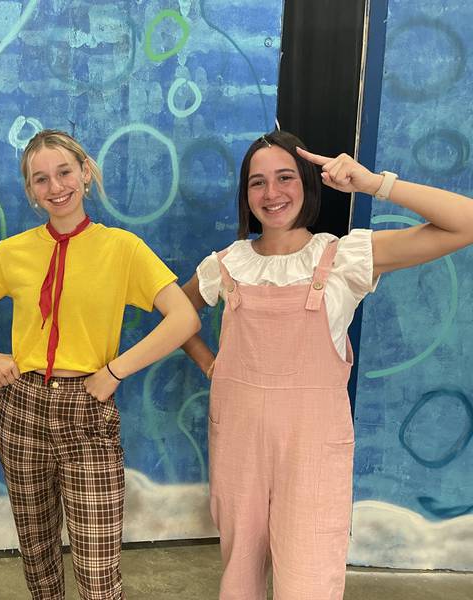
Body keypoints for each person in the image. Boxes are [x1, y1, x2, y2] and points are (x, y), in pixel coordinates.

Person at [180, 130, 473, 599]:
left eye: (284, 177)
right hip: (237, 436)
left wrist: (375, 183)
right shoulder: (227, 263)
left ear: (308, 184)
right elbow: (176, 312)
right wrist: (210, 363)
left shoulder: (344, 257)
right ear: (245, 194)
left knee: (309, 576)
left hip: (312, 445)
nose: (271, 194)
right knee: (240, 573)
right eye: (257, 183)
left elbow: (466, 223)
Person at [0, 129, 200, 599]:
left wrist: (115, 372)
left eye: (64, 171)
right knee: (38, 554)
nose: (55, 186)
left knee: (97, 565)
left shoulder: (122, 248)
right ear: (30, 191)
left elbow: (184, 318)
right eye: (40, 179)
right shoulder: (13, 252)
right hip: (20, 408)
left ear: (85, 173)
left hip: (88, 406)